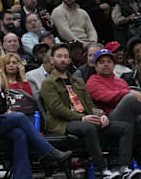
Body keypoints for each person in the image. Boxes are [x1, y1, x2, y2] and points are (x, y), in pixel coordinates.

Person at [0, 47, 71, 178]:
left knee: (19, 134)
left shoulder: (1, 78)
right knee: (20, 117)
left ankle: (23, 176)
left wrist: (0, 83)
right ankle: (49, 153)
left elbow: (7, 107)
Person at [40, 43, 135, 179]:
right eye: (59, 56)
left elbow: (90, 105)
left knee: (125, 128)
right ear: (52, 60)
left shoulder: (78, 81)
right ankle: (103, 170)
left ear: (70, 60)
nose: (63, 60)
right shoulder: (48, 83)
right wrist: (82, 118)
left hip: (86, 119)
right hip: (63, 123)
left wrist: (101, 115)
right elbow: (57, 109)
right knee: (88, 128)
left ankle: (123, 168)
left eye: (65, 57)